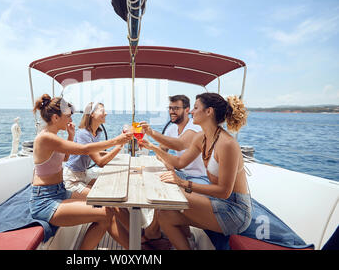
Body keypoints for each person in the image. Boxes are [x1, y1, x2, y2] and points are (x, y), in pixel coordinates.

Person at [139, 92, 251, 249]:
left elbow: (224, 192)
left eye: (196, 107)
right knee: (164, 215)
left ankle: (151, 234)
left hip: (234, 211)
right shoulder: (201, 137)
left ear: (209, 111)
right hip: (217, 201)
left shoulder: (227, 144)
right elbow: (179, 162)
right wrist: (152, 147)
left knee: (168, 196)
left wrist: (183, 183)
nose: (191, 111)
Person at [30, 94, 132, 250]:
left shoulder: (53, 136)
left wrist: (71, 135)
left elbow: (64, 158)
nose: (71, 121)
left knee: (108, 209)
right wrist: (117, 141)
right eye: (68, 117)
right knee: (106, 213)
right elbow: (84, 150)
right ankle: (140, 248)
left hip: (60, 191)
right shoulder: (45, 138)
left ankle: (138, 245)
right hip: (45, 200)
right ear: (56, 118)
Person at [138, 95, 209, 247]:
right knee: (155, 179)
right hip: (181, 171)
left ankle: (155, 232)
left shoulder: (194, 128)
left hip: (198, 178)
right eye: (170, 108)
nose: (172, 111)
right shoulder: (171, 129)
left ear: (187, 110)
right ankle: (158, 232)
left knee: (163, 190)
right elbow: (162, 151)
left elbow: (179, 145)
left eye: (176, 108)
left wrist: (151, 133)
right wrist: (148, 147)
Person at [63, 102, 123, 197]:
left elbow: (94, 152)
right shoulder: (83, 133)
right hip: (73, 178)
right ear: (92, 114)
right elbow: (100, 162)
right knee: (103, 195)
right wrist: (119, 145)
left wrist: (114, 153)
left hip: (84, 174)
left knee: (110, 185)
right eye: (102, 111)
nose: (106, 113)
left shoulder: (97, 133)